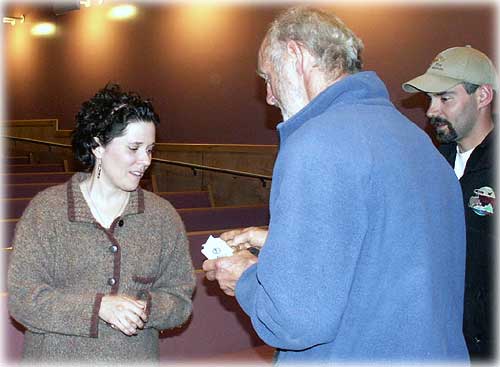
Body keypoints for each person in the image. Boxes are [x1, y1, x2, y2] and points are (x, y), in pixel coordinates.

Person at [203, 6, 469, 363]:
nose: (269, 95)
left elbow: (297, 321)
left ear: (296, 56)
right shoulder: (419, 142)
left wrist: (246, 278)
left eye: (268, 77)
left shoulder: (316, 142)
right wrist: (281, 244)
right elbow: (386, 254)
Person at [7, 84, 195, 363]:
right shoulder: (47, 211)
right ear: (97, 146)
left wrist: (144, 309)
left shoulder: (162, 217)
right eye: (133, 148)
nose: (145, 161)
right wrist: (99, 308)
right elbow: (24, 299)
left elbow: (180, 299)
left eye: (150, 149)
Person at [402, 46, 497, 361]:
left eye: (445, 98)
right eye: (429, 99)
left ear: (482, 96)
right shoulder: (430, 165)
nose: (430, 111)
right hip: (440, 339)